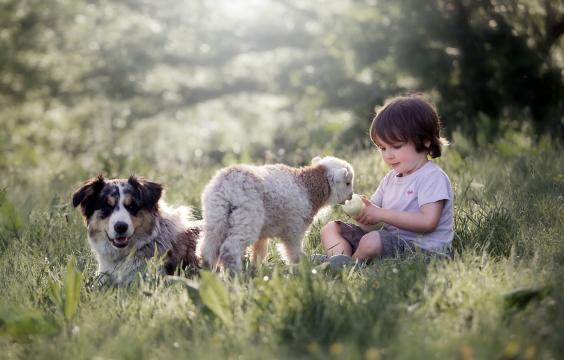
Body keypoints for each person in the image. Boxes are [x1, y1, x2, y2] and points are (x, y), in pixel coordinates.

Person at [318, 94, 454, 266]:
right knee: (331, 228)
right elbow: (371, 226)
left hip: (424, 251)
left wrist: (381, 214)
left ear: (425, 141)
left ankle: (349, 267)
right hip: (389, 242)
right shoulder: (390, 178)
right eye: (382, 148)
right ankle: (338, 260)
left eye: (396, 146)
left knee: (372, 241)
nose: (388, 155)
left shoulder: (432, 177)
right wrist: (362, 214)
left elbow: (428, 222)